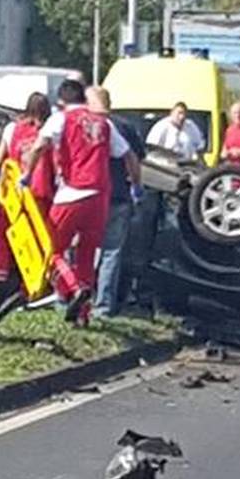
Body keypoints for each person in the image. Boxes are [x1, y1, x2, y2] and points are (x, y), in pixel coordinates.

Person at [23, 78, 140, 321]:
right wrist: (136, 186)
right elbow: (129, 155)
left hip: (72, 193)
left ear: (61, 101)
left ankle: (75, 288)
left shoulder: (61, 118)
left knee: (51, 249)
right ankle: (83, 315)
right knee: (87, 253)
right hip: (100, 197)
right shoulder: (104, 123)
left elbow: (38, 147)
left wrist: (26, 175)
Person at [86, 85, 144, 317]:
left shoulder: (85, 125)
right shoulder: (125, 127)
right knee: (111, 252)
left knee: (82, 250)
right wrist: (137, 187)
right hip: (118, 195)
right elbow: (136, 159)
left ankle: (75, 297)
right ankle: (103, 305)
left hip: (88, 194)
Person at [0, 91, 53, 282]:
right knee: (38, 236)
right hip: (40, 191)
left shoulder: (12, 128)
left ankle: (1, 276)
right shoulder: (50, 131)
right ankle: (35, 280)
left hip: (13, 194)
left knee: (5, 235)